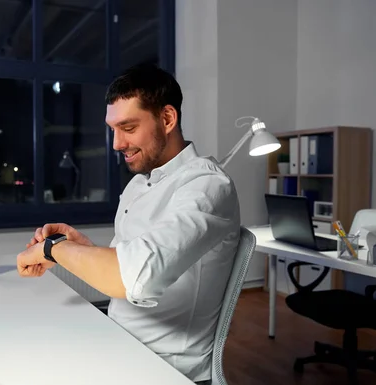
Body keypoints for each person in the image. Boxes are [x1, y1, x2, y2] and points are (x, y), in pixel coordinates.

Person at [16, 64, 241, 385]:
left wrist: (53, 250)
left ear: (167, 118)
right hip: (118, 339)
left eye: (129, 127)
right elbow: (126, 265)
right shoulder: (138, 185)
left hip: (162, 366)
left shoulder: (206, 185)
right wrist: (84, 249)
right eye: (113, 129)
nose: (116, 143)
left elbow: (136, 276)